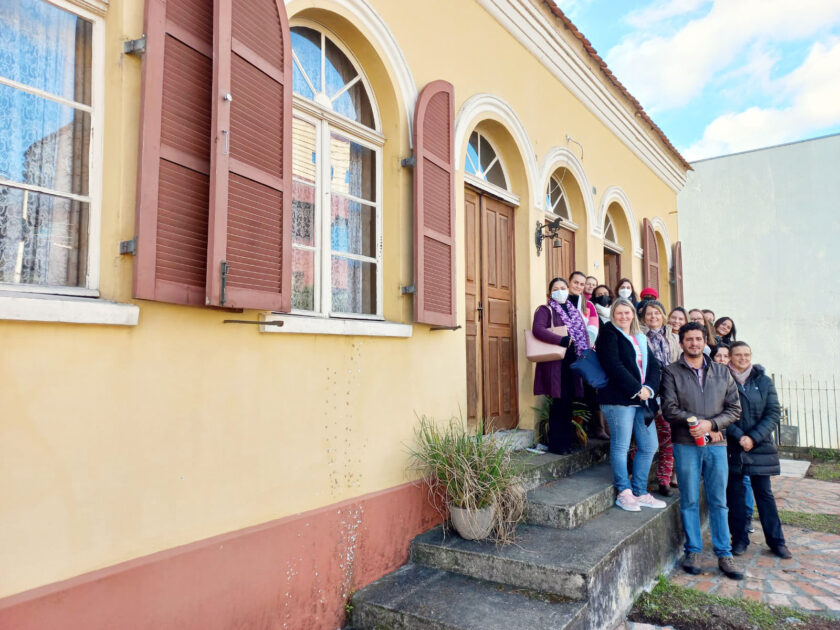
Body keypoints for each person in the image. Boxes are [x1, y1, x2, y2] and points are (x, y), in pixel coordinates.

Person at [661, 322, 744, 580]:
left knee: (718, 500)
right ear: (682, 342)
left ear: (704, 341)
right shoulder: (671, 371)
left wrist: (711, 424)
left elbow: (734, 409)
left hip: (716, 445)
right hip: (686, 444)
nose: (694, 343)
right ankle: (693, 551)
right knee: (689, 499)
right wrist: (694, 422)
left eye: (698, 339)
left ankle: (724, 554)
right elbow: (669, 409)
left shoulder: (721, 372)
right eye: (689, 339)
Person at [596, 298, 664, 512]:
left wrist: (649, 390)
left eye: (627, 312)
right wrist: (637, 389)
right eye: (619, 313)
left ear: (634, 314)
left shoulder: (639, 336)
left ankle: (640, 491)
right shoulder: (609, 333)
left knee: (649, 445)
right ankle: (624, 492)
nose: (624, 316)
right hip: (619, 399)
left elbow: (654, 366)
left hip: (643, 400)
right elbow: (613, 365)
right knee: (621, 445)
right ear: (613, 315)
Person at [726, 342, 792, 559]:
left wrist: (752, 437)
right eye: (738, 355)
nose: (743, 358)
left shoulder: (763, 381)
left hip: (760, 446)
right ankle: (739, 540)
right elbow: (719, 412)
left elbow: (773, 413)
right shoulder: (721, 379)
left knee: (764, 495)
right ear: (730, 357)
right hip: (734, 446)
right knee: (735, 496)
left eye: (746, 355)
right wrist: (739, 436)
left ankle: (776, 542)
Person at [532, 277, 591, 454]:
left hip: (573, 360)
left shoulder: (573, 310)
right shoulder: (545, 309)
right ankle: (557, 445)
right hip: (556, 362)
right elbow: (538, 329)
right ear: (550, 292)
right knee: (559, 403)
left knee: (568, 403)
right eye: (556, 288)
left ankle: (567, 443)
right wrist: (561, 340)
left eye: (563, 287)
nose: (560, 291)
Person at [640, 300, 679, 497]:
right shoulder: (639, 336)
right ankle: (638, 475)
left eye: (656, 313)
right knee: (643, 438)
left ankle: (663, 480)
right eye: (649, 314)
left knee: (668, 439)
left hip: (669, 394)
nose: (653, 317)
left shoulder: (673, 338)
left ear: (663, 315)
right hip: (647, 393)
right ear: (644, 318)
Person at [711, 343, 752, 523]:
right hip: (724, 435)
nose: (722, 359)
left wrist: (750, 435)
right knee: (730, 482)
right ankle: (735, 521)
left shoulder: (750, 379)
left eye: (725, 356)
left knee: (746, 479)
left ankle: (748, 516)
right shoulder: (714, 379)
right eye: (718, 356)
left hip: (745, 437)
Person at [568, 271, 600, 344]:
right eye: (575, 283)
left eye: (582, 284)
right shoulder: (559, 302)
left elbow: (593, 328)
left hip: (583, 347)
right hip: (561, 346)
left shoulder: (589, 305)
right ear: (569, 282)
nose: (578, 286)